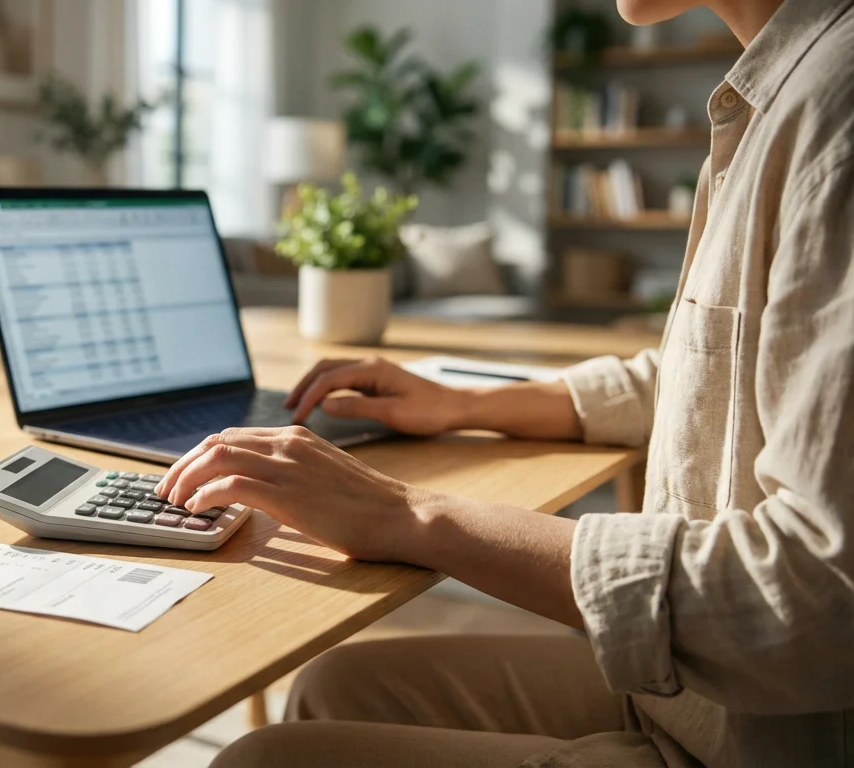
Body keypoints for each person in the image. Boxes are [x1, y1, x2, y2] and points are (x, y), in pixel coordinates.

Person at [154, 0, 854, 765]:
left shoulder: (835, 105)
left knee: (259, 762)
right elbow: (715, 370)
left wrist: (412, 513)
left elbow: (815, 596)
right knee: (338, 683)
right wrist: (463, 401)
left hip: (778, 734)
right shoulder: (777, 91)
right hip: (711, 708)